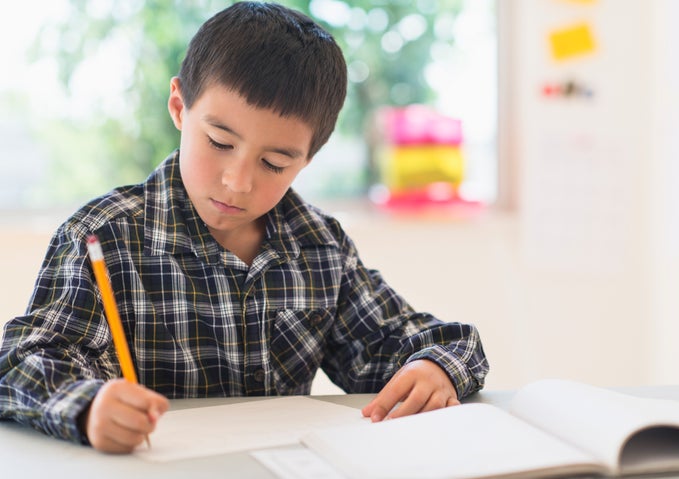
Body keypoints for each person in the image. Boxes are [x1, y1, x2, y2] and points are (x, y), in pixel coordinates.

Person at [0, 2, 489, 454]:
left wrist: (434, 367)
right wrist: (86, 406)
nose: (237, 182)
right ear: (178, 107)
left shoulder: (318, 245)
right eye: (218, 141)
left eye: (274, 163)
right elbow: (21, 362)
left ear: (307, 159)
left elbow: (420, 341)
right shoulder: (104, 236)